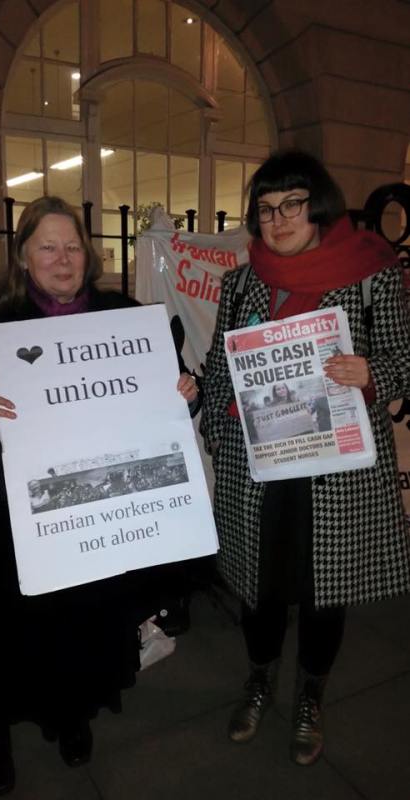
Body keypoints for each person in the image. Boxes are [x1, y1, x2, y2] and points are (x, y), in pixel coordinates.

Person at [0, 196, 198, 797]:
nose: (63, 259)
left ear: (88, 255)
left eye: (72, 246)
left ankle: (72, 714)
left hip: (94, 514)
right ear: (23, 256)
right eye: (48, 247)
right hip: (12, 516)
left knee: (82, 619)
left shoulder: (127, 319)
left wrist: (184, 391)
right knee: (9, 625)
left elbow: (167, 396)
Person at [200, 150, 410, 766]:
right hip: (258, 468)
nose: (278, 220)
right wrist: (217, 414)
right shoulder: (241, 284)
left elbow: (403, 359)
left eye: (291, 204)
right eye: (266, 209)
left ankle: (310, 695)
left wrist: (371, 373)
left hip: (335, 469)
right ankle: (259, 678)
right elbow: (219, 367)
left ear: (317, 205)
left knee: (325, 587)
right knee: (259, 585)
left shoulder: (371, 276)